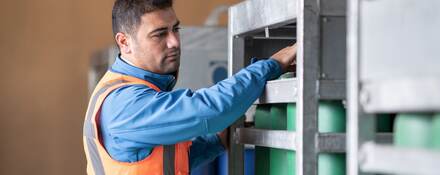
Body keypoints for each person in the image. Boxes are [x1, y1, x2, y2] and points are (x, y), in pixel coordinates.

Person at [82, 0, 297, 174]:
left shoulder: (136, 89)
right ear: (124, 42)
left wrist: (217, 141)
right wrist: (273, 64)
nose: (174, 42)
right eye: (159, 34)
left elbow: (166, 162)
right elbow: (210, 109)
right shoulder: (124, 103)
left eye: (175, 29)